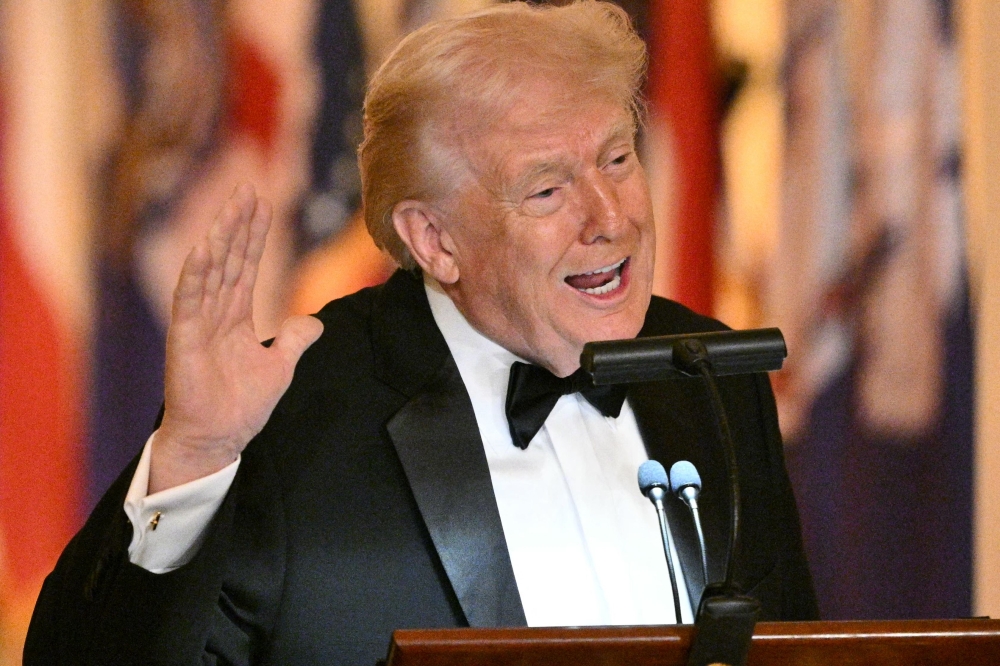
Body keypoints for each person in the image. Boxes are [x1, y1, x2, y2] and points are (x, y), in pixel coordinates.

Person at [25, 2, 817, 664]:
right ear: (435, 241)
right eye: (547, 191)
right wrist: (194, 459)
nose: (610, 220)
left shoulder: (710, 373)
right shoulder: (297, 411)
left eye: (617, 159)